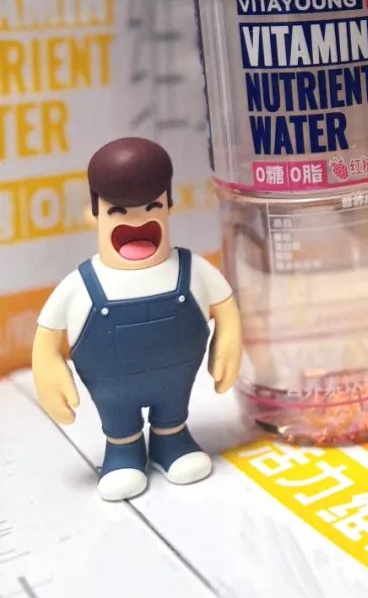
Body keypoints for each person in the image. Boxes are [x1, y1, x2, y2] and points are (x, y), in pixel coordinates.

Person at [32, 139, 243, 501]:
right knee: (119, 422)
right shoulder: (81, 284)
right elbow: (47, 335)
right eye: (118, 211)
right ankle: (123, 453)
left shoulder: (192, 269)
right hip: (112, 392)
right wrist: (47, 368)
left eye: (151, 207)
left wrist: (228, 339)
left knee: (172, 411)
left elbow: (224, 305)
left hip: (175, 383)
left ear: (169, 207)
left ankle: (171, 441)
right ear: (96, 213)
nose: (137, 220)